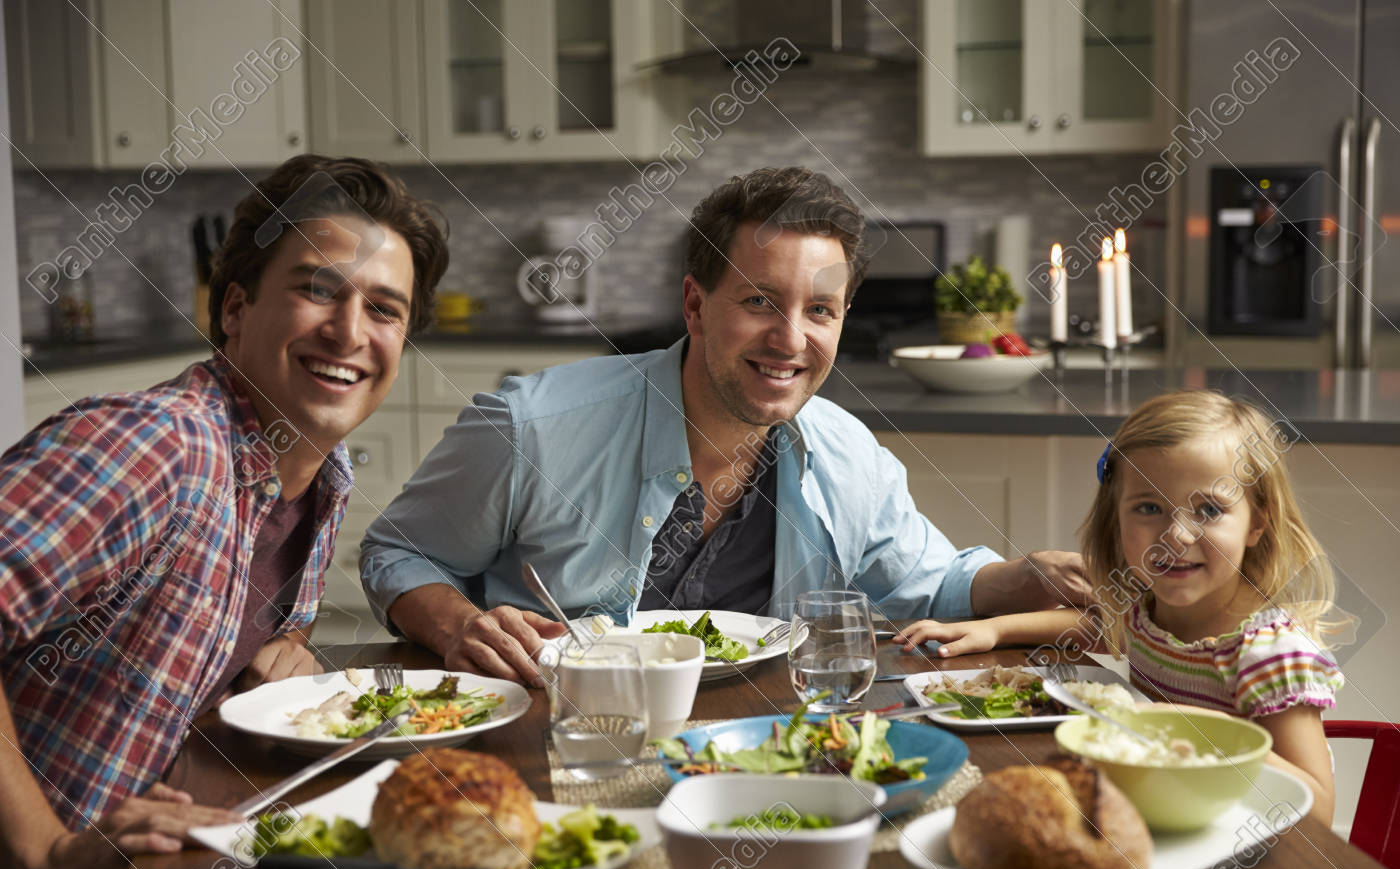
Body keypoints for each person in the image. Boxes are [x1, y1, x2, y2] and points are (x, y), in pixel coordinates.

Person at [360, 166, 1087, 687]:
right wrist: (457, 623)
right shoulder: (532, 428)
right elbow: (397, 551)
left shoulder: (846, 454)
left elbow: (933, 586)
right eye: (761, 301)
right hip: (555, 735)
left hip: (756, 750)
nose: (792, 339)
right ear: (696, 305)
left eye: (821, 311)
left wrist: (1026, 576)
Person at [0, 154, 449, 869]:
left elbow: (223, 609)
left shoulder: (320, 475)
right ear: (235, 307)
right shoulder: (154, 446)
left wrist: (283, 650)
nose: (349, 331)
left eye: (384, 308)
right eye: (317, 288)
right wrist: (46, 858)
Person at [894, 390, 1344, 822]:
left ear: (1256, 523)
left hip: (1243, 837)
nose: (1177, 536)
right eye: (1149, 507)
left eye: (1208, 510)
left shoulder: (1269, 655)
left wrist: (1195, 727)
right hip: (1167, 808)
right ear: (1116, 517)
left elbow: (1319, 810)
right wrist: (997, 630)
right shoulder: (1149, 609)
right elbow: (1099, 625)